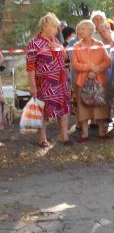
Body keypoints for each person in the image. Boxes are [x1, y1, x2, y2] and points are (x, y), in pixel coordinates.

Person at [25, 12, 72, 146]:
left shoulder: (56, 41)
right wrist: (33, 87)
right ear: (45, 26)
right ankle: (42, 139)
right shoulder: (34, 43)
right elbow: (30, 67)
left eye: (57, 27)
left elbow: (66, 59)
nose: (56, 30)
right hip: (45, 84)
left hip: (61, 82)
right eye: (54, 27)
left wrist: (60, 49)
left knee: (63, 109)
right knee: (43, 111)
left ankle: (64, 136)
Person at [71, 19, 111, 142]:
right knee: (83, 107)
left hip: (99, 80)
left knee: (100, 106)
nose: (80, 31)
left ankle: (102, 132)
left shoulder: (99, 44)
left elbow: (107, 61)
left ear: (91, 30)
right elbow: (75, 65)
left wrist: (96, 70)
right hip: (82, 81)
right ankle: (85, 134)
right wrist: (89, 68)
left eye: (83, 29)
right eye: (79, 29)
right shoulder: (76, 46)